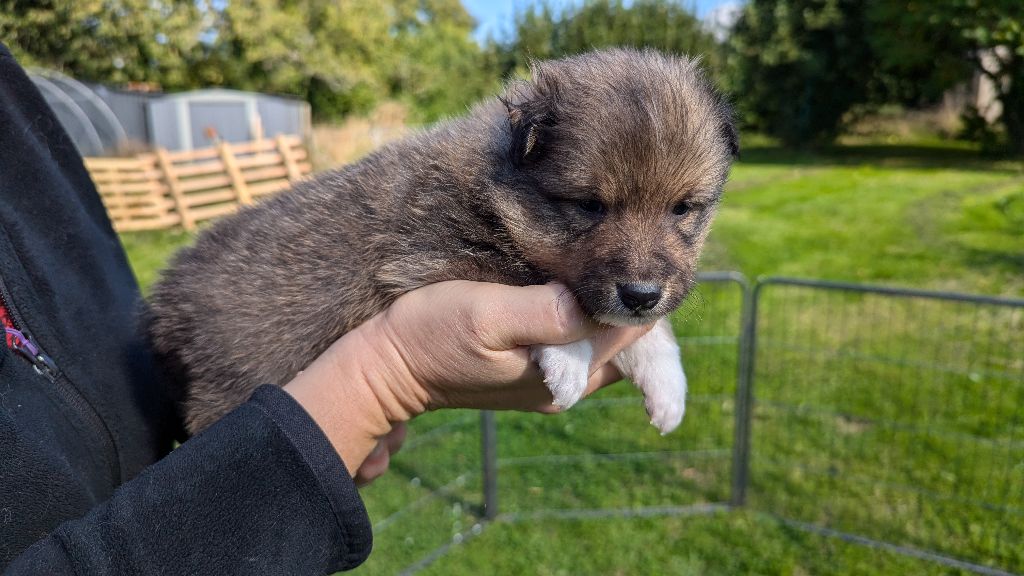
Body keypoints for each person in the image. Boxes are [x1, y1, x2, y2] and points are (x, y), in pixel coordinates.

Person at [0, 43, 649, 574]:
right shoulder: (474, 177)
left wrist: (306, 441)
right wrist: (379, 382)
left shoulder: (14, 96)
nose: (646, 262)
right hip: (223, 354)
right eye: (589, 208)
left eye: (686, 210)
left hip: (152, 389)